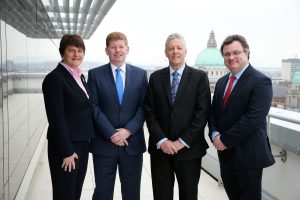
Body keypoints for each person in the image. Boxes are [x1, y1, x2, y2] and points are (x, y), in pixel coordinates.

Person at [145, 33, 211, 200]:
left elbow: (202, 114)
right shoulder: (155, 78)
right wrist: (162, 140)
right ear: (166, 52)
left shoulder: (199, 77)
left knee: (189, 195)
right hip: (161, 150)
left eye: (179, 48)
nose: (175, 51)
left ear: (185, 51)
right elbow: (150, 112)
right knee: (161, 195)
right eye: (171, 48)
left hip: (189, 150)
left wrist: (181, 142)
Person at [209, 34, 275, 200]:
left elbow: (253, 119)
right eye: (227, 54)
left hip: (248, 157)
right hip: (225, 156)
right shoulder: (222, 82)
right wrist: (215, 134)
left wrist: (224, 141)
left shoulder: (261, 81)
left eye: (236, 52)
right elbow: (214, 112)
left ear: (247, 54)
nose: (231, 57)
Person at [87, 31, 148, 200]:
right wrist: (112, 133)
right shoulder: (95, 74)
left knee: (131, 193)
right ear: (106, 50)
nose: (117, 50)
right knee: (102, 193)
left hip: (132, 143)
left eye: (121, 47)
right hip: (104, 144)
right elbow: (94, 107)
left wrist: (128, 130)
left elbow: (144, 107)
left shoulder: (141, 74)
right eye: (113, 47)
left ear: (127, 49)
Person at [42, 34, 95, 199]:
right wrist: (66, 151)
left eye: (80, 51)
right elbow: (56, 118)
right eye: (71, 50)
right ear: (62, 53)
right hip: (66, 147)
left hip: (82, 144)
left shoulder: (79, 76)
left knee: (75, 192)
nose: (76, 54)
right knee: (64, 193)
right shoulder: (55, 79)